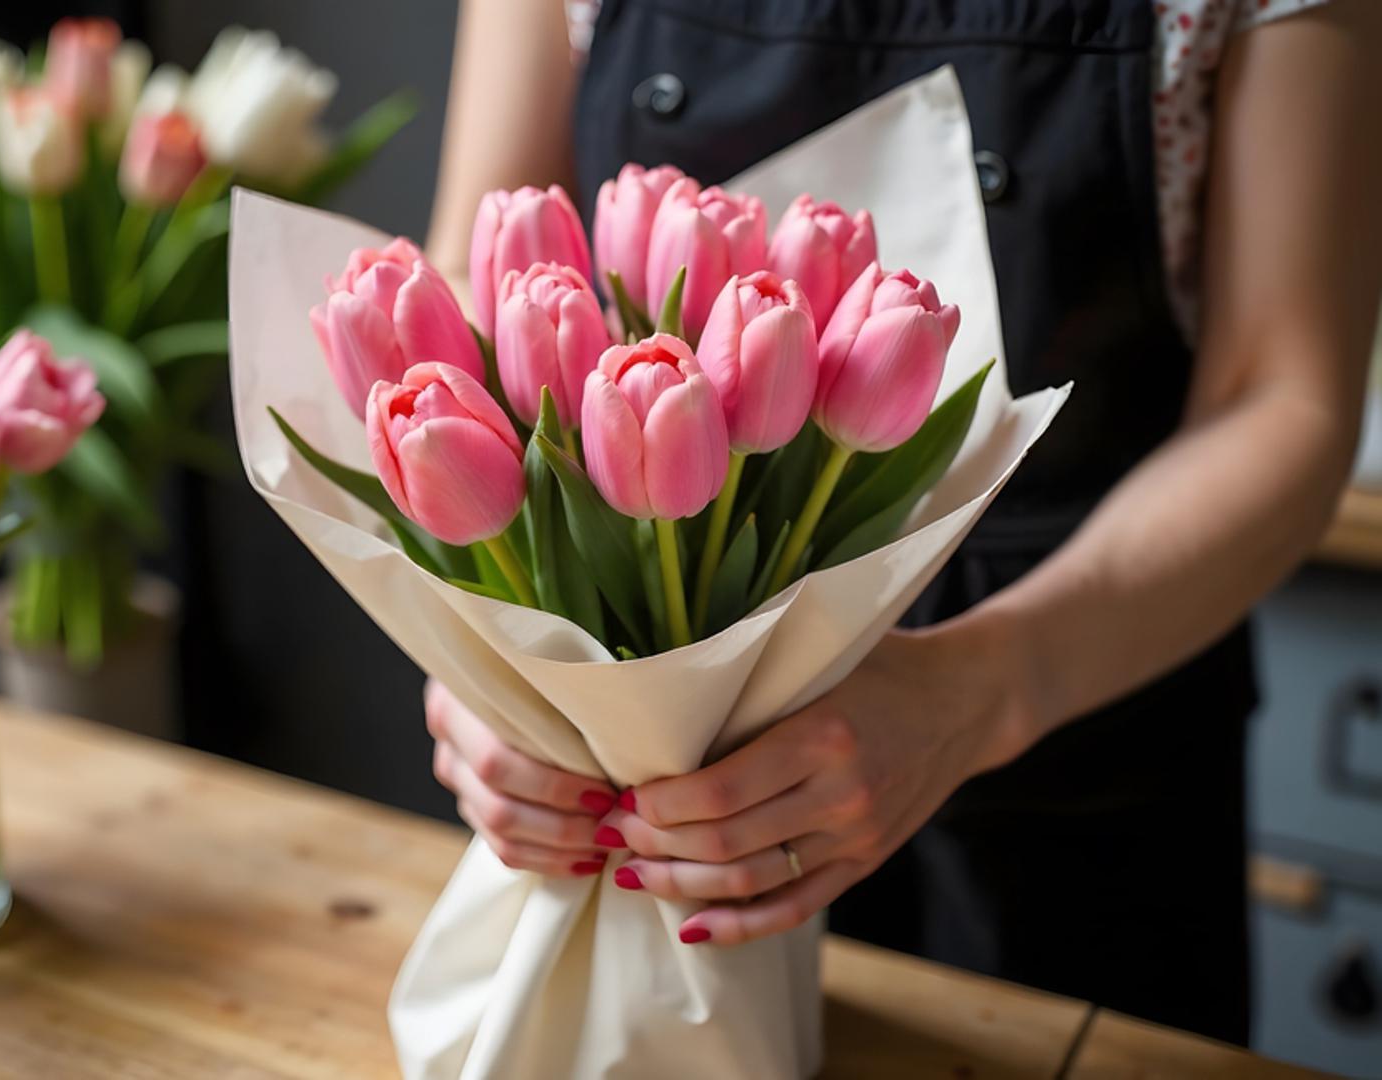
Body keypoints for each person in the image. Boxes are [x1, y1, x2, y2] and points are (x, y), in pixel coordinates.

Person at [420, 0, 1382, 1044]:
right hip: (629, 716)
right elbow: (483, 274)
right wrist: (485, 642)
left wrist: (982, 689)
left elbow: (1281, 394)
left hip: (1075, 711)